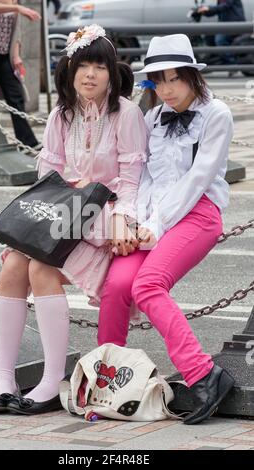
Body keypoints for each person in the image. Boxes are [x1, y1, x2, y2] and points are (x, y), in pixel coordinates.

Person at [0, 24, 147, 415]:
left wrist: (122, 220)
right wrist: (68, 188)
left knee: (40, 265)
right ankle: (4, 377)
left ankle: (51, 380)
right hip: (60, 217)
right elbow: (47, 178)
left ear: (112, 72)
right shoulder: (61, 115)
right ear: (69, 71)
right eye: (82, 66)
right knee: (12, 268)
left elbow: (130, 181)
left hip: (101, 222)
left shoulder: (126, 114)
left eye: (99, 67)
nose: (90, 74)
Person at [97, 34, 235, 425]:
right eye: (158, 81)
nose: (167, 89)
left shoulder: (217, 114)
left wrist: (154, 226)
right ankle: (107, 378)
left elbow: (197, 180)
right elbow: (142, 179)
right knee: (118, 284)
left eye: (175, 79)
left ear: (193, 76)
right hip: (151, 219)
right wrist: (134, 222)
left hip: (198, 214)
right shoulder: (151, 117)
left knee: (148, 285)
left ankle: (204, 375)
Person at [0, 0, 39, 148]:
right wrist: (17, 8)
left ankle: (27, 141)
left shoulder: (14, 2)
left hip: (4, 56)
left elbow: (16, 31)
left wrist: (16, 56)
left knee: (15, 95)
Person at [196, 0, 246, 65]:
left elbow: (225, 6)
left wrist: (209, 8)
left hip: (234, 24)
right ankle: (216, 58)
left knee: (220, 40)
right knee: (209, 36)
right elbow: (218, 9)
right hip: (225, 25)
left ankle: (232, 63)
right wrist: (204, 12)